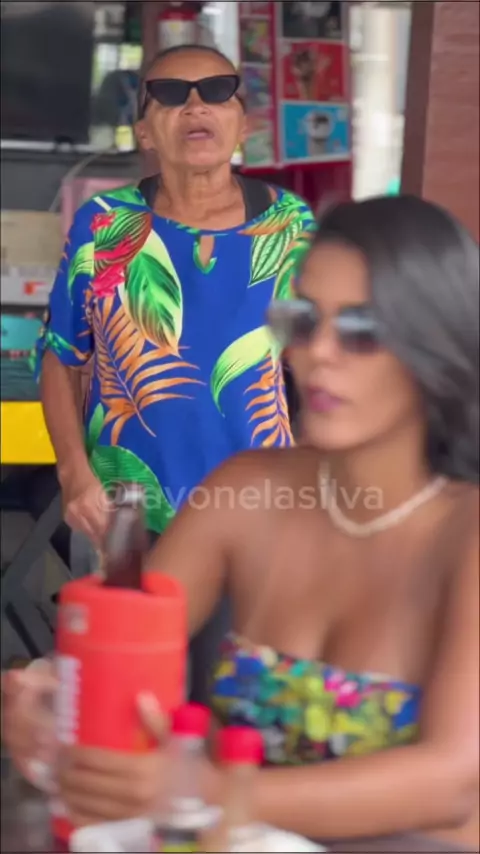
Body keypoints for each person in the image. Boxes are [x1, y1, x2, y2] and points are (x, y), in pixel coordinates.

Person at [4, 196, 479, 847]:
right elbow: (118, 643)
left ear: (439, 344)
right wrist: (49, 694)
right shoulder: (247, 491)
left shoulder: (465, 531)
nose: (318, 353)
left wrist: (203, 790)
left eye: (362, 329)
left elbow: (452, 781)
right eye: (302, 319)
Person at [36, 42, 315, 571]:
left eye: (216, 91)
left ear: (243, 125)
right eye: (170, 94)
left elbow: (319, 360)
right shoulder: (104, 223)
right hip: (126, 506)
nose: (195, 106)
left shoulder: (291, 224)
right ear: (144, 132)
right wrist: (74, 475)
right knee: (133, 623)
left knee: (244, 628)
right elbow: (61, 355)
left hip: (262, 503)